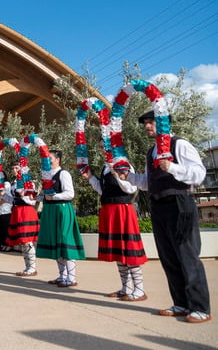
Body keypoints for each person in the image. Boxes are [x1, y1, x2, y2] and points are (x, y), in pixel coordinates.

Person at [126, 110, 211, 323]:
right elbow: (148, 183)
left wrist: (172, 167)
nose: (147, 126)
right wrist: (129, 177)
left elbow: (199, 174)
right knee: (169, 257)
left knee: (187, 255)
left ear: (163, 123)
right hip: (158, 206)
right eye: (145, 123)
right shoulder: (151, 152)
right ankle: (181, 303)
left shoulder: (179, 144)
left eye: (151, 122)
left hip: (179, 204)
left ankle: (200, 307)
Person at [82, 163, 147, 301]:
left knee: (129, 250)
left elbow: (131, 188)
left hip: (122, 209)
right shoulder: (105, 167)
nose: (103, 149)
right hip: (110, 210)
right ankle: (126, 288)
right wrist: (91, 178)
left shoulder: (125, 164)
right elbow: (102, 190)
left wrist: (117, 176)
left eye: (105, 145)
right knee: (118, 251)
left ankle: (140, 290)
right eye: (100, 147)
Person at [36, 150, 85, 287]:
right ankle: (62, 276)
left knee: (65, 241)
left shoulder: (63, 174)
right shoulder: (47, 175)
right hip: (50, 210)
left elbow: (70, 194)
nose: (47, 160)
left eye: (49, 158)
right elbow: (45, 196)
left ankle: (72, 278)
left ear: (57, 159)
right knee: (56, 241)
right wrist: (35, 196)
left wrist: (54, 197)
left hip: (62, 210)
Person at [6, 165, 40, 277]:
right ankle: (28, 267)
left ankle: (32, 268)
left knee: (27, 240)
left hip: (26, 212)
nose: (15, 170)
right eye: (13, 168)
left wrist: (23, 196)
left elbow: (32, 200)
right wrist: (4, 196)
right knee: (22, 241)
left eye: (17, 168)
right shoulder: (13, 184)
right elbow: (13, 200)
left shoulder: (29, 182)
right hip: (17, 212)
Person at [0, 176, 13, 252]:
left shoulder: (6, 184)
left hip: (5, 210)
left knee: (5, 229)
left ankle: (7, 245)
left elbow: (5, 197)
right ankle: (1, 244)